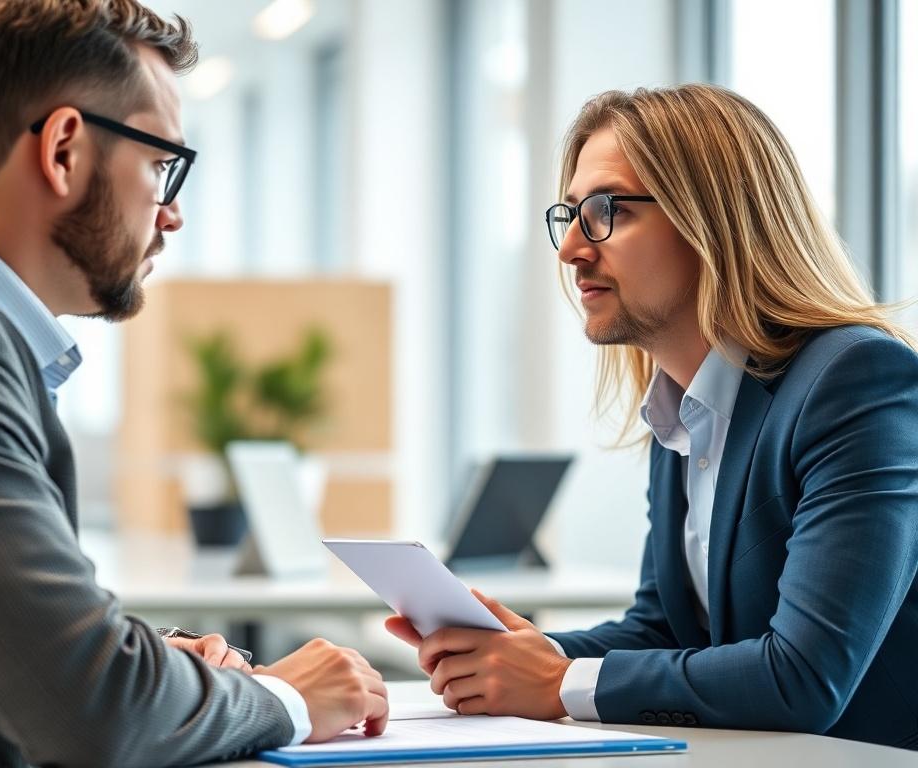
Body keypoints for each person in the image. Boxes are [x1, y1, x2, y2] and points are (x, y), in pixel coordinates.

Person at [0, 1, 387, 765]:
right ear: (64, 149)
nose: (173, 213)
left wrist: (150, 658)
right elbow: (86, 707)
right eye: (162, 165)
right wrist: (287, 699)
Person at [386, 84, 918, 749]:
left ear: (713, 219)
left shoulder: (853, 380)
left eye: (606, 211)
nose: (572, 249)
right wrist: (521, 652)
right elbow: (666, 629)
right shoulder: (683, 405)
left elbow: (804, 676)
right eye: (571, 214)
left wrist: (557, 681)